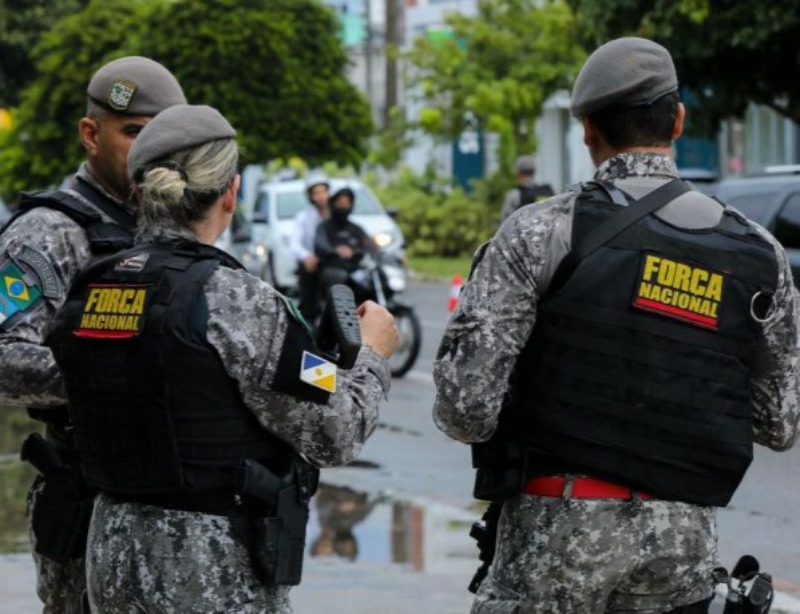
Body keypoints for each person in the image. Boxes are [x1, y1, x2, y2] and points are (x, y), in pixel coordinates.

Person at [433, 37, 800, 613]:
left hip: (554, 539)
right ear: (678, 121)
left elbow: (465, 409)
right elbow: (779, 424)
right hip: (681, 548)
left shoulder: (539, 232)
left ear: (588, 131)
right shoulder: (759, 254)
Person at [46, 104, 399, 613]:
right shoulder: (237, 299)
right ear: (231, 193)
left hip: (111, 556)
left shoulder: (94, 283)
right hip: (208, 569)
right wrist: (371, 355)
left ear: (141, 194)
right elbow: (335, 432)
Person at [0, 56, 185, 613]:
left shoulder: (177, 226)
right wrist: (117, 372)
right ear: (90, 133)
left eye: (163, 137)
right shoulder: (49, 234)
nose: (151, 152)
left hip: (180, 513)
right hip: (90, 501)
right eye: (134, 133)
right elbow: (4, 359)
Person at [314, 186, 376, 299]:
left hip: (355, 267)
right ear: (333, 203)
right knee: (338, 278)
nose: (343, 205)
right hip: (332, 268)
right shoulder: (324, 227)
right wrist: (336, 251)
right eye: (340, 202)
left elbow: (368, 245)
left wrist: (353, 252)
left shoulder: (356, 228)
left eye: (346, 202)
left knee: (376, 275)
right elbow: (320, 245)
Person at [290, 172, 330, 321]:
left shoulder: (336, 214)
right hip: (314, 262)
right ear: (311, 196)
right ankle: (309, 315)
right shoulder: (303, 217)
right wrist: (306, 256)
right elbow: (295, 244)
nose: (321, 196)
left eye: (323, 192)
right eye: (316, 193)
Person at [498, 154, 554, 222]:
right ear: (534, 172)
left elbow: (505, 222)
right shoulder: (546, 192)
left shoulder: (513, 195)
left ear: (518, 174)